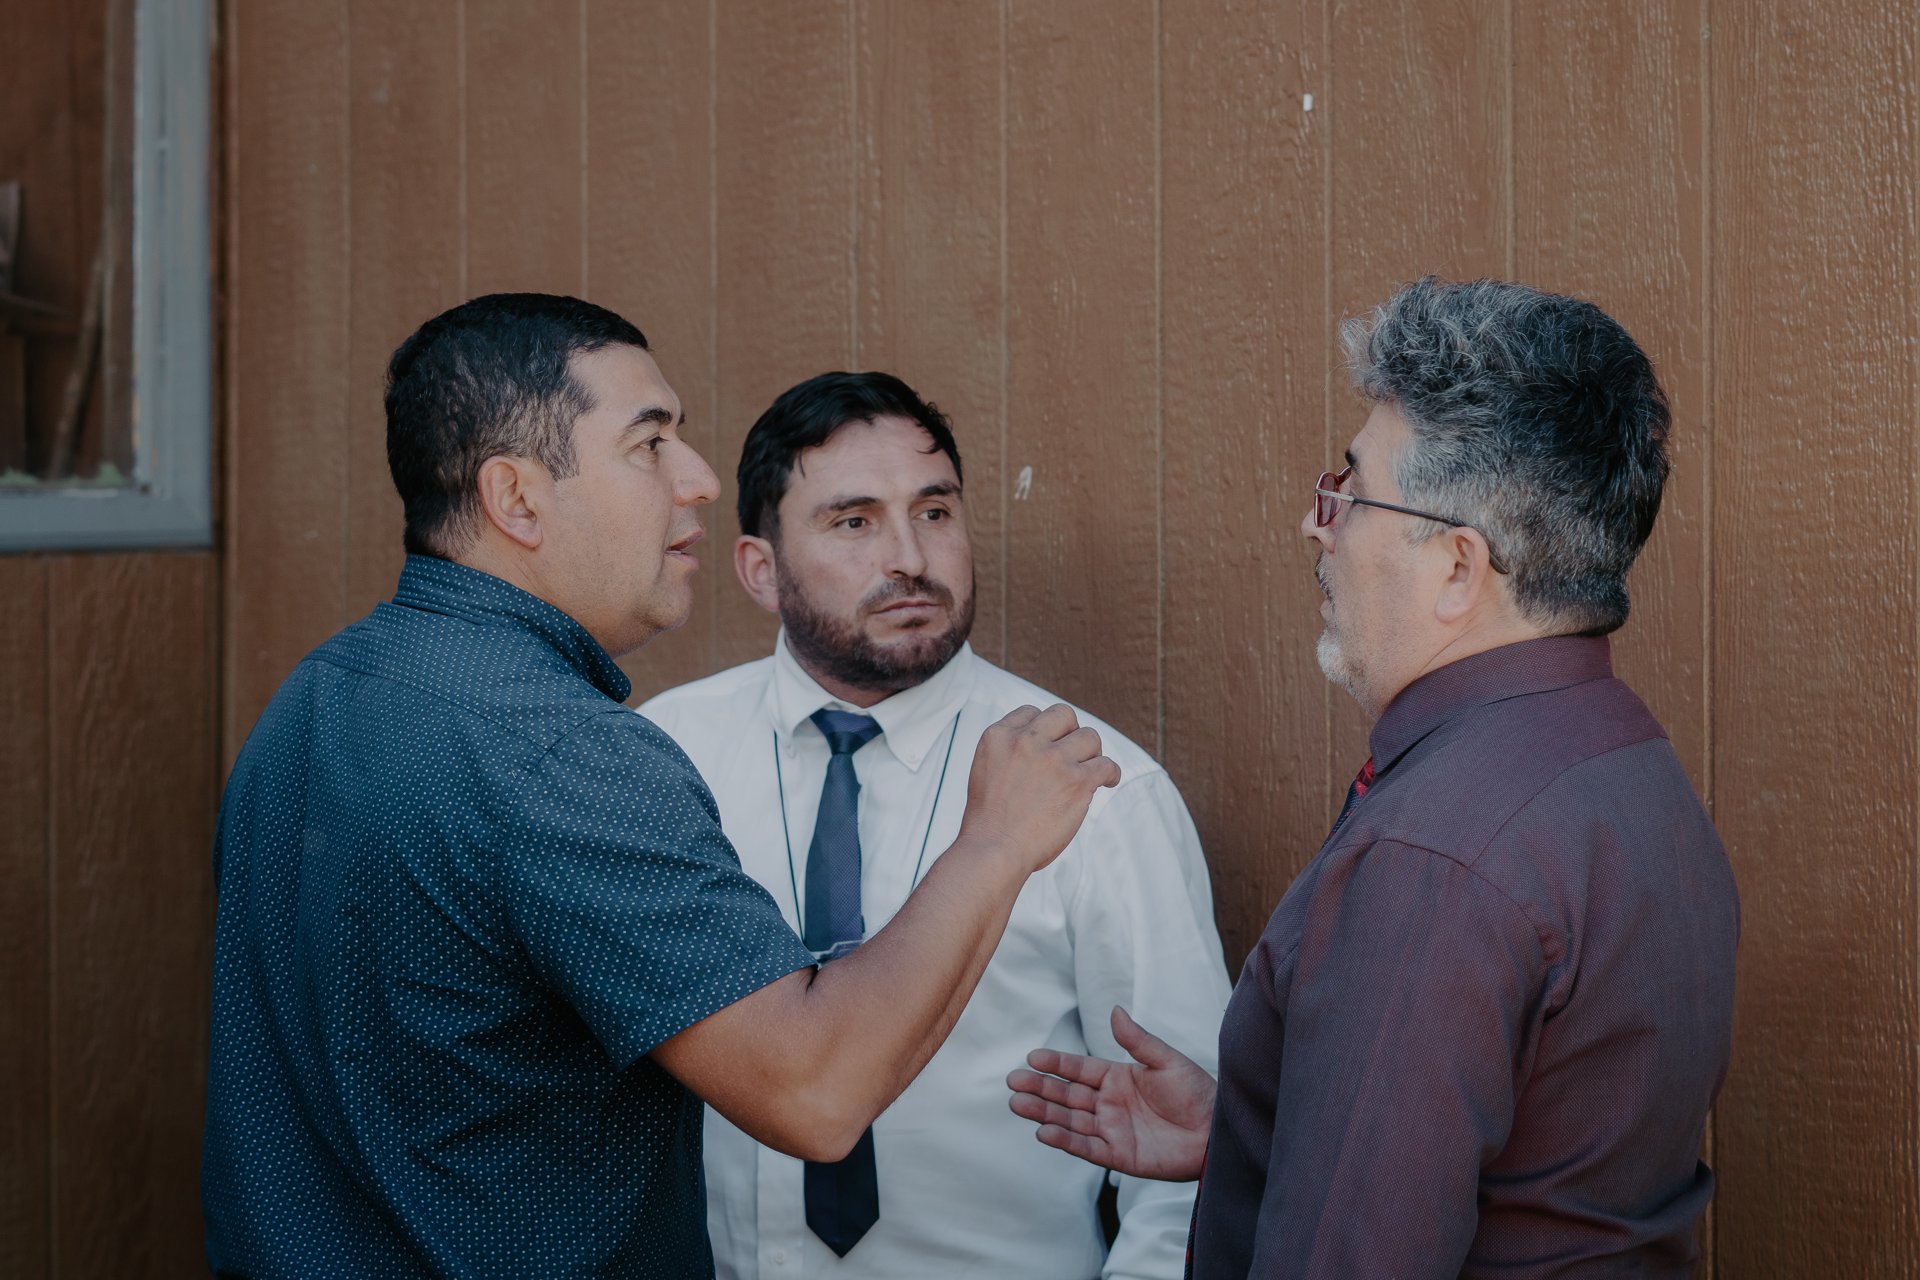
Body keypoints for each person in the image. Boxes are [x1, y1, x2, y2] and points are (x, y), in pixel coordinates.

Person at [200, 294, 1120, 1279]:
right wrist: (994, 844)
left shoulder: (317, 695)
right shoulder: (562, 753)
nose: (698, 479)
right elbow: (814, 1091)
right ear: (516, 499)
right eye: (649, 444)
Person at [1009, 277, 1741, 1278]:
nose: (1318, 526)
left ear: (1459, 567)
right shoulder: (1624, 759)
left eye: (1349, 494)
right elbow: (1550, 1163)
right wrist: (1258, 1135)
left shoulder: (1432, 854)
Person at [639, 371, 1230, 1279]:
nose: (910, 557)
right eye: (854, 522)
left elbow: (1188, 1150)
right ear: (760, 570)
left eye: (936, 512)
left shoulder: (1097, 784)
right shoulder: (663, 760)